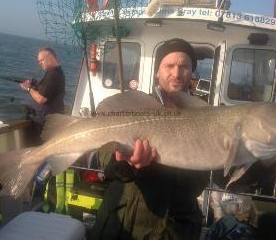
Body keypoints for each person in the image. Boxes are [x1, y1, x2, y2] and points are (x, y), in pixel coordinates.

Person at [89, 39, 210, 240]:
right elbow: (105, 160)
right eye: (169, 66)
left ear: (192, 73)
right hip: (123, 223)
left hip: (173, 229)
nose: (177, 73)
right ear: (157, 71)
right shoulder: (133, 106)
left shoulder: (206, 116)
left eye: (184, 66)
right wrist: (127, 164)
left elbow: (201, 182)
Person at [20, 47, 65, 130]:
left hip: (46, 123)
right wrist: (35, 84)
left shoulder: (53, 75)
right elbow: (47, 90)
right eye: (39, 61)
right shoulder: (55, 72)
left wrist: (29, 88)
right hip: (50, 120)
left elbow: (41, 99)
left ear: (51, 57)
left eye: (42, 60)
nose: (40, 63)